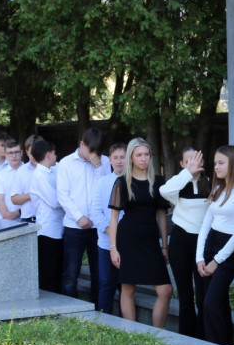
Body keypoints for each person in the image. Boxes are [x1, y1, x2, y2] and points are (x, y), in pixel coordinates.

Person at [108, 138, 172, 326]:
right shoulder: (122, 182)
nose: (143, 159)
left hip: (151, 241)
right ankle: (132, 333)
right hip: (128, 240)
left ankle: (158, 334)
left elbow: (161, 216)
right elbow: (113, 218)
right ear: (131, 157)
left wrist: (164, 246)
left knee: (165, 290)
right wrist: (113, 248)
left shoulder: (158, 181)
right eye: (139, 155)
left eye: (146, 154)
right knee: (128, 288)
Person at [196, 146, 234, 345]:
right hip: (210, 246)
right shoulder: (218, 190)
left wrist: (217, 260)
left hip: (229, 251)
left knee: (211, 303)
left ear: (233, 164)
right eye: (215, 162)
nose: (215, 167)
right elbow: (205, 224)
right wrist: (199, 257)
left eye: (221, 163)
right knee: (213, 302)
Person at [161, 147, 212, 338]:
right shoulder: (178, 185)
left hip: (203, 244)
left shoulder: (211, 184)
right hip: (180, 242)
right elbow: (164, 191)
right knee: (185, 295)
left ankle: (205, 337)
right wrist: (186, 174)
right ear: (182, 165)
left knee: (203, 295)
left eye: (197, 159)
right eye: (188, 161)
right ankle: (186, 337)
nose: (194, 163)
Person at [58, 128, 109, 301]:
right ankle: (70, 312)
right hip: (74, 226)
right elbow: (62, 195)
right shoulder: (65, 163)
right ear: (82, 144)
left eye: (97, 152)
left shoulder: (104, 162)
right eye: (91, 151)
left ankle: (99, 312)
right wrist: (78, 216)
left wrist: (97, 166)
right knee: (71, 273)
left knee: (99, 272)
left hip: (98, 227)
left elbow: (107, 187)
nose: (93, 155)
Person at [91, 142, 127, 314]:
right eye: (115, 158)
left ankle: (126, 323)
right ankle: (104, 321)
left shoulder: (133, 181)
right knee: (106, 282)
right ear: (110, 160)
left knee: (126, 286)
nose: (119, 161)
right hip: (106, 243)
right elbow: (96, 211)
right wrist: (110, 230)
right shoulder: (103, 182)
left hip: (128, 243)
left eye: (123, 157)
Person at [29, 140, 65, 293]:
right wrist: (67, 198)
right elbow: (55, 201)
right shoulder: (39, 175)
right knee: (48, 273)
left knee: (57, 270)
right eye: (55, 153)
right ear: (48, 154)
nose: (56, 156)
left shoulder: (52, 171)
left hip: (58, 229)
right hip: (47, 230)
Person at [10, 135, 40, 223]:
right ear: (26, 152)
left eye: (36, 151)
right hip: (29, 220)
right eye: (31, 152)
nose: (34, 155)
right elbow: (14, 199)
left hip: (51, 221)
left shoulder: (54, 167)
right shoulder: (21, 171)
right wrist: (32, 194)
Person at [0, 139, 24, 221]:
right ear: (5, 155)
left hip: (28, 217)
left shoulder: (30, 171)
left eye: (16, 152)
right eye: (10, 153)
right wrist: (7, 215)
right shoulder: (0, 175)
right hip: (8, 220)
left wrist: (17, 213)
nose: (14, 156)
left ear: (21, 152)